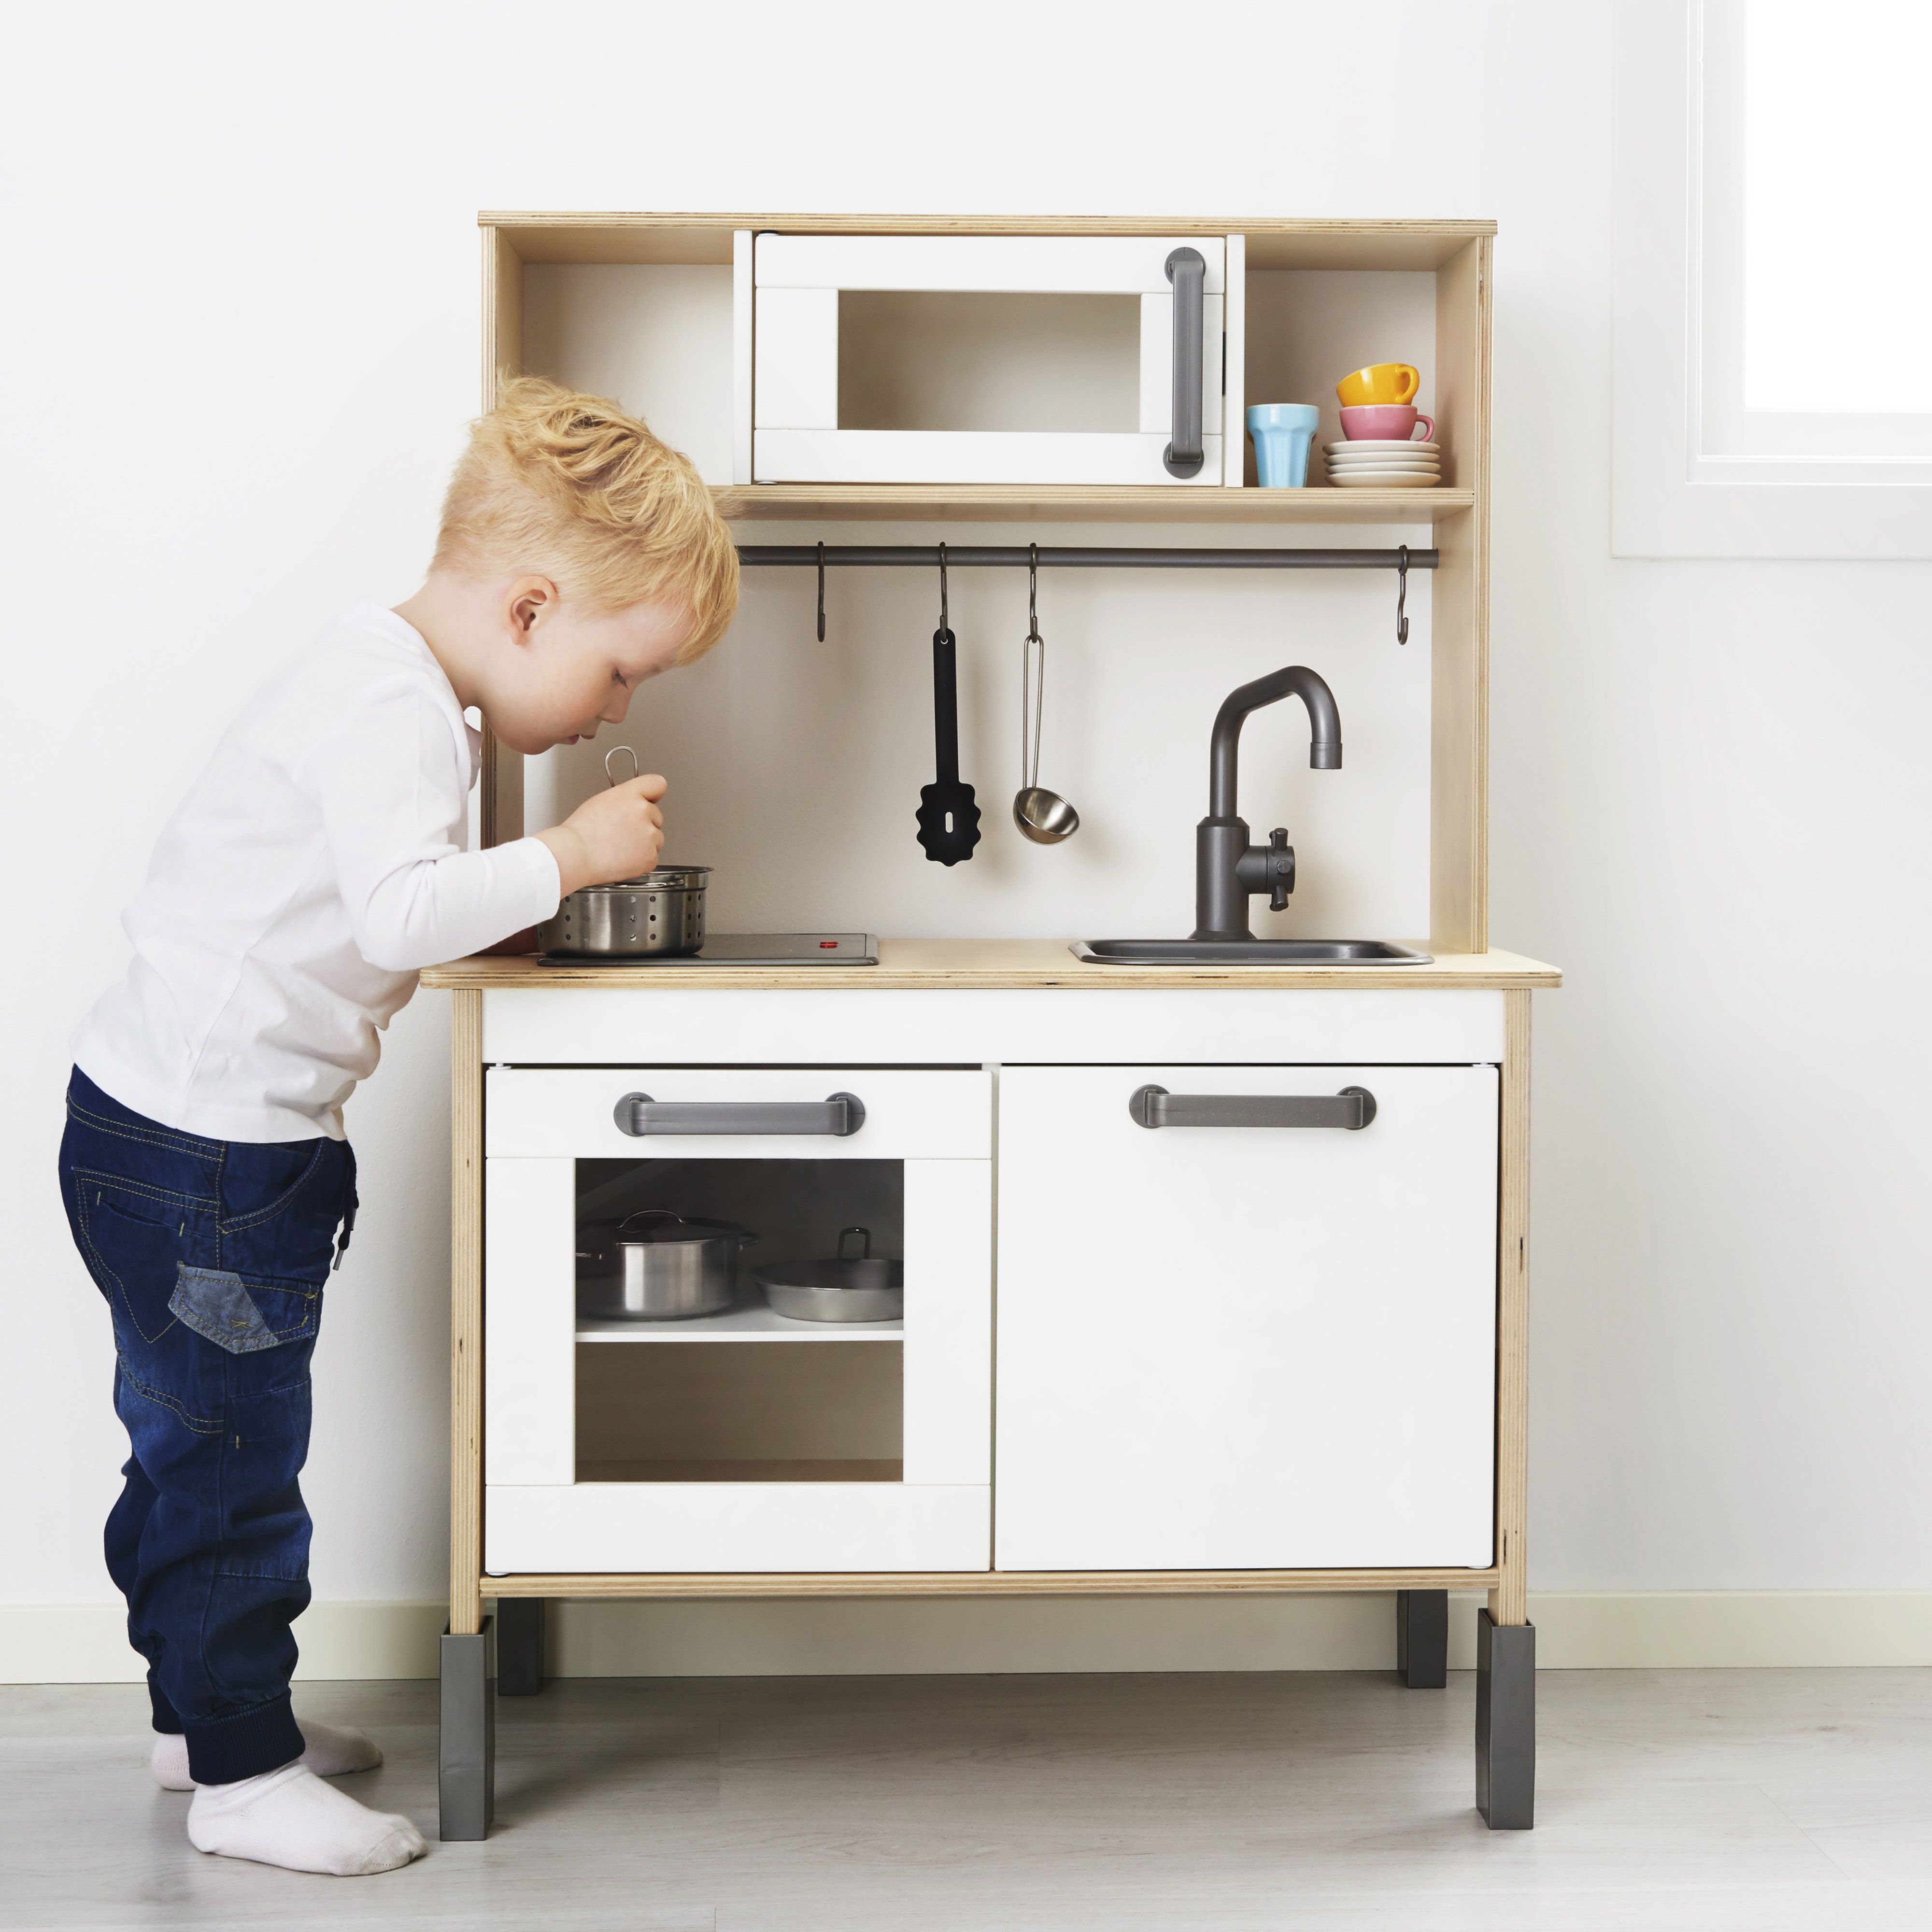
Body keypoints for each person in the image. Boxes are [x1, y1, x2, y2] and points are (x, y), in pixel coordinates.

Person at [57, 378, 739, 1875]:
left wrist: (509, 905)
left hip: (161, 1134)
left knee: (188, 1452)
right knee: (234, 1464)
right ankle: (241, 1776)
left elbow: (374, 914)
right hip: (205, 1162)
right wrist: (567, 853)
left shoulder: (383, 682)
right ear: (533, 610)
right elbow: (401, 906)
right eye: (623, 673)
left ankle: (205, 1723)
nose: (618, 711)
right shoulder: (396, 712)